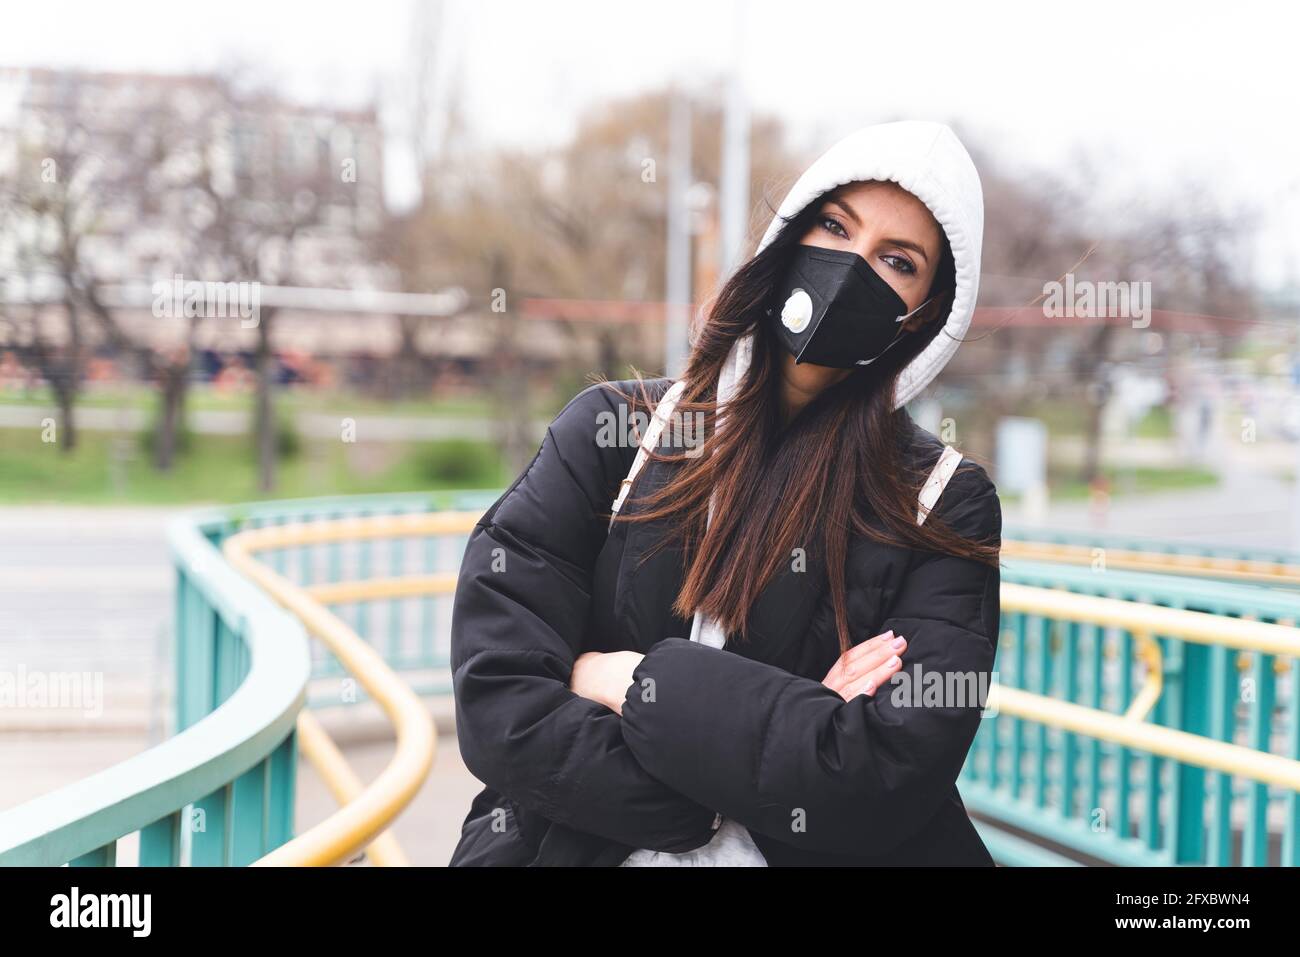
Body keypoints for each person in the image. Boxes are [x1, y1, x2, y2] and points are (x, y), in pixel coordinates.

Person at [448, 120, 1002, 866]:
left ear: (925, 312)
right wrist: (751, 764)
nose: (850, 267)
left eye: (897, 261)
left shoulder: (942, 502)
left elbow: (876, 780)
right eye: (835, 225)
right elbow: (501, 703)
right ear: (790, 232)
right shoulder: (615, 432)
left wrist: (625, 676)